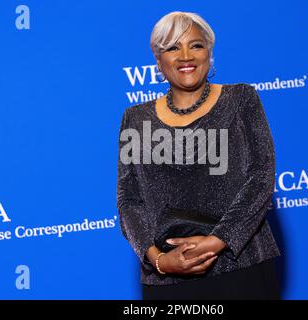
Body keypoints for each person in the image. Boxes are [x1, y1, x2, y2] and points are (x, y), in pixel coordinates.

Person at [117, 11, 281, 300]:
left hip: (239, 267)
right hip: (165, 278)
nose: (185, 56)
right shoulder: (135, 118)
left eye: (195, 45)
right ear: (158, 59)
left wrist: (218, 241)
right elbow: (129, 200)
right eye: (172, 47)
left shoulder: (242, 99)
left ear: (209, 51)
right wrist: (158, 260)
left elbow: (261, 177)